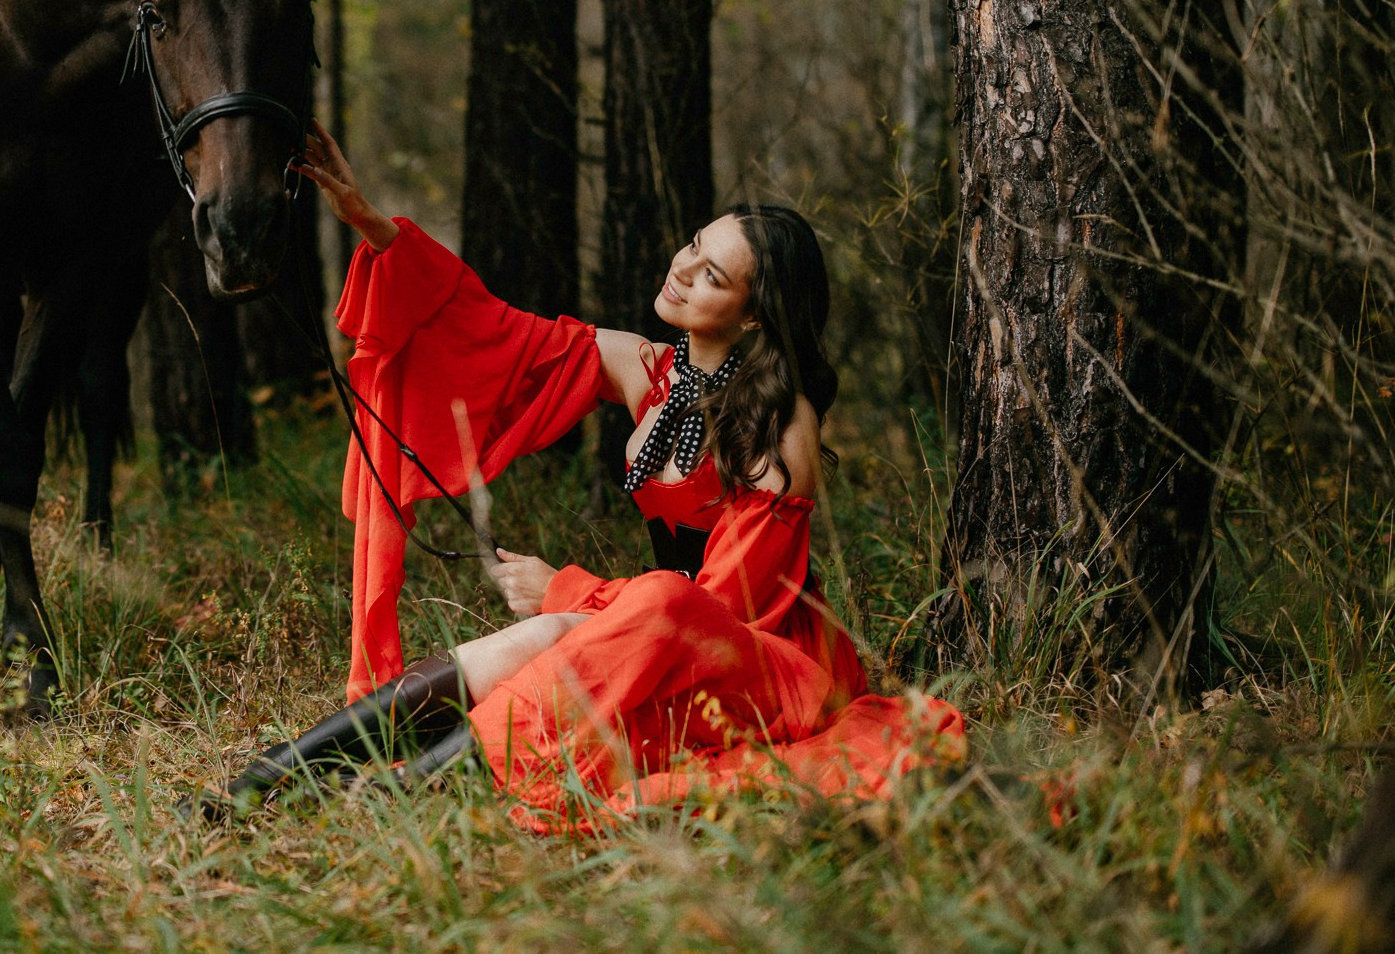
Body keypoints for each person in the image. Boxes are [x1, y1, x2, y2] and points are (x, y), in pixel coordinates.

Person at [207, 124, 963, 830]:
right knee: (545, 636)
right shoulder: (645, 369)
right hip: (652, 631)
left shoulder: (780, 422)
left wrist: (569, 591)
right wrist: (369, 220)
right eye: (692, 249)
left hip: (762, 664)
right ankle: (262, 779)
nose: (682, 272)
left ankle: (407, 793)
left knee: (614, 611)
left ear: (754, 314)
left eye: (711, 276)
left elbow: (718, 613)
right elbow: (483, 324)